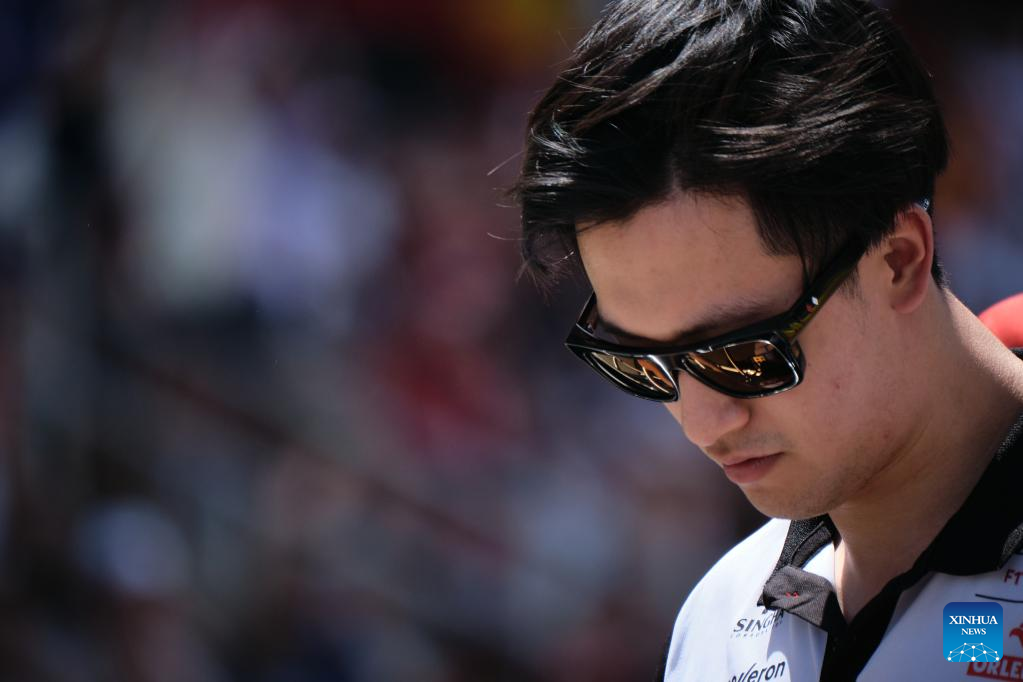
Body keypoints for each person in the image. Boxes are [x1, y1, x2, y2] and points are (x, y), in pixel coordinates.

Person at [511, 1, 1023, 680]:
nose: (700, 423)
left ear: (898, 260)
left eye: (743, 354)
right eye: (637, 361)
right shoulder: (716, 622)